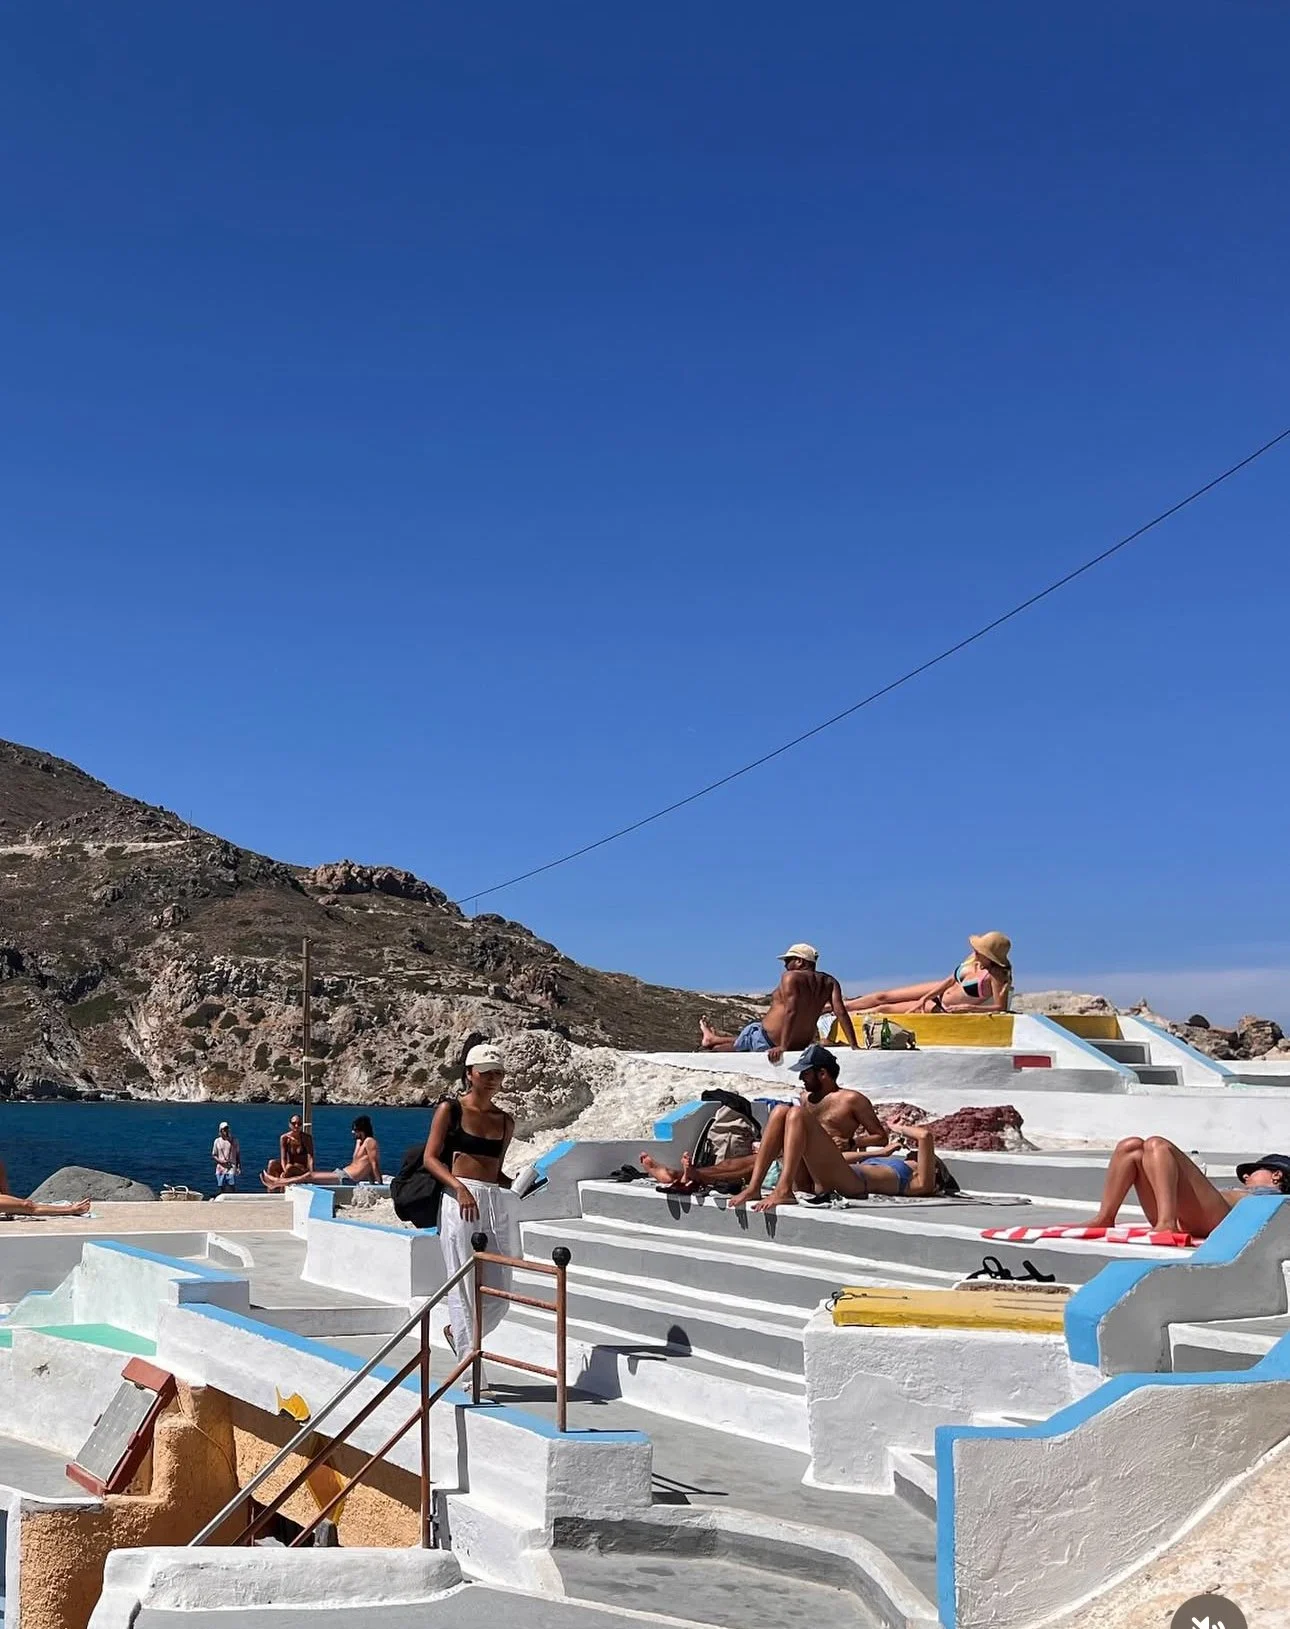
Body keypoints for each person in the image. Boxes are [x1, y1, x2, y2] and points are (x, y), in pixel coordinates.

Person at [421, 1042, 519, 1357]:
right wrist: (458, 1187)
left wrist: (521, 1183)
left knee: (501, 1291)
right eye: (486, 1072)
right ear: (470, 1073)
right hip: (459, 1198)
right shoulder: (451, 1109)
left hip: (492, 1201)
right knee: (462, 1285)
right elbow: (431, 1158)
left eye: (498, 1073)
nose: (492, 1079)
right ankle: (470, 1367)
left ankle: (458, 1335)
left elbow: (496, 1170)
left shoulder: (505, 1121)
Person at [1083, 1138, 1290, 1239]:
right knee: (1132, 1147)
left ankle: (1166, 1222)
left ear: (1276, 1174)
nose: (1246, 1176)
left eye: (1253, 1171)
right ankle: (1105, 1217)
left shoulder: (1275, 1197)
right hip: (1191, 1215)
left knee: (1158, 1145)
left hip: (1216, 1220)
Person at [700, 944, 859, 1061]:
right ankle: (712, 1038)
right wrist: (854, 1045)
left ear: (800, 961)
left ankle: (712, 1041)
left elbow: (791, 1011)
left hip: (770, 1040)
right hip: (801, 1042)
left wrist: (783, 1046)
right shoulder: (830, 981)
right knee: (742, 1040)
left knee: (720, 1050)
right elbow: (840, 1012)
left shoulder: (791, 977)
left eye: (788, 960)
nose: (785, 965)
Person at [845, 932, 1013, 1015]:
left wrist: (970, 1008)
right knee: (883, 996)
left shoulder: (997, 976)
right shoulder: (973, 959)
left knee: (883, 1008)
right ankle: (832, 1007)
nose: (975, 952)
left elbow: (1000, 1007)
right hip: (937, 992)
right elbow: (949, 981)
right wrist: (925, 997)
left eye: (980, 951)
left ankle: (841, 1016)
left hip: (944, 1008)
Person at [261, 1116, 383, 1188]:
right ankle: (276, 1183)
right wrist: (372, 1183)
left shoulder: (370, 1142)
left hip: (347, 1178)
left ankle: (277, 1182)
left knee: (309, 1176)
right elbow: (365, 1166)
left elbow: (373, 1165)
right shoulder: (359, 1142)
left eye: (355, 1130)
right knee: (309, 1177)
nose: (353, 1132)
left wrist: (380, 1185)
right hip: (342, 1173)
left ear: (363, 1130)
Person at [261, 1114, 314, 1185]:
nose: (296, 1126)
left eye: (299, 1124)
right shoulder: (284, 1138)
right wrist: (285, 1170)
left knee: (289, 1168)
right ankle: (271, 1191)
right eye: (294, 1123)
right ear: (289, 1124)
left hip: (301, 1168)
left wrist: (311, 1173)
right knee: (272, 1163)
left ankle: (278, 1183)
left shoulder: (306, 1138)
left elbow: (310, 1157)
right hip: (289, 1166)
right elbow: (283, 1158)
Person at [211, 1121, 241, 1191]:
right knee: (221, 1185)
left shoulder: (234, 1141)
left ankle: (232, 1197)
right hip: (220, 1167)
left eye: (227, 1129)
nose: (226, 1131)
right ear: (221, 1131)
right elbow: (214, 1155)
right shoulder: (217, 1141)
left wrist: (238, 1166)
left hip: (231, 1166)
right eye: (224, 1129)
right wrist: (221, 1161)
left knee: (230, 1183)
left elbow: (238, 1154)